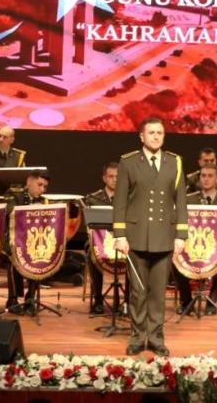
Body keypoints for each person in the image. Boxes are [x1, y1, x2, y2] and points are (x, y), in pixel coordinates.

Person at [113, 117, 188, 357]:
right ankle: (137, 338)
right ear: (142, 136)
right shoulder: (128, 162)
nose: (156, 136)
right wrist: (120, 234)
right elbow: (120, 201)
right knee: (137, 292)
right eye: (151, 132)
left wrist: (181, 235)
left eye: (160, 133)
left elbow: (181, 201)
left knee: (158, 293)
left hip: (164, 236)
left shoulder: (174, 162)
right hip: (136, 237)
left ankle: (156, 338)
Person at [174, 163, 217, 315]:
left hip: (215, 249)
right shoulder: (189, 200)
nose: (206, 179)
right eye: (203, 176)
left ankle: (212, 299)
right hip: (191, 247)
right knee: (175, 258)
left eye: (210, 176)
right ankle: (186, 301)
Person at [3, 169, 50, 315]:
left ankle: (30, 298)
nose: (42, 190)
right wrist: (32, 210)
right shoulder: (13, 193)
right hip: (10, 239)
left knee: (40, 254)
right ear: (29, 182)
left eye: (45, 187)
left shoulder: (43, 200)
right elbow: (10, 212)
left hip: (31, 241)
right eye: (39, 185)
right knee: (13, 254)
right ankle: (12, 300)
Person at [83, 162, 118, 315]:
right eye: (111, 176)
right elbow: (87, 226)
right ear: (104, 178)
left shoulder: (129, 198)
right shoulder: (93, 198)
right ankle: (98, 299)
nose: (115, 180)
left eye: (118, 177)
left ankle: (127, 301)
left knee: (136, 251)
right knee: (91, 251)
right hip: (98, 241)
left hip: (121, 241)